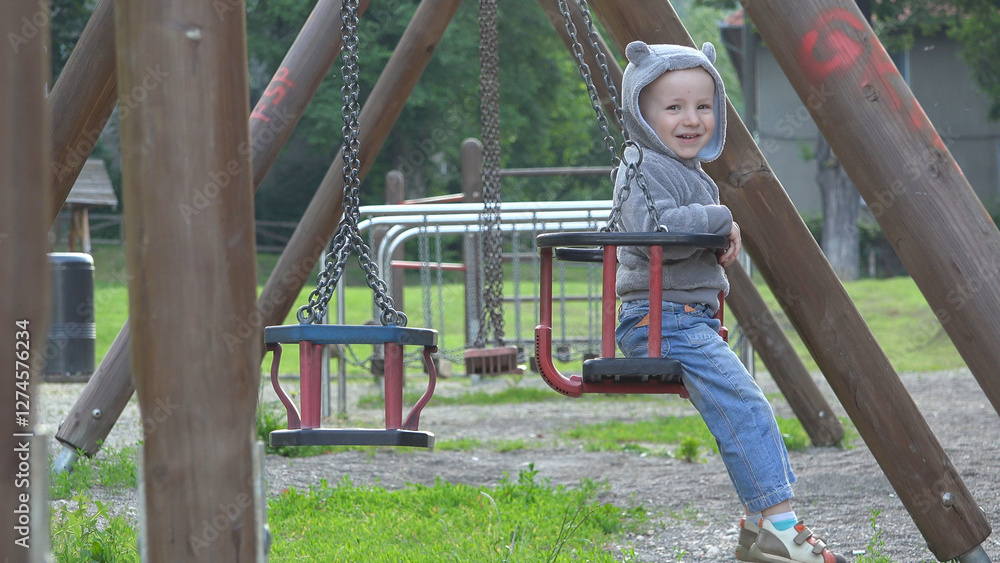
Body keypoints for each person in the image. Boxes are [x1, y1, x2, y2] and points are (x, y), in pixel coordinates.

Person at [613, 41, 848, 563]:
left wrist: (722, 225)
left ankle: (755, 530)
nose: (691, 119)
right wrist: (723, 220)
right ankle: (781, 530)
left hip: (685, 320)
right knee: (746, 407)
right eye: (674, 107)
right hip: (658, 321)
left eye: (704, 105)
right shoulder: (641, 165)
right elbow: (657, 232)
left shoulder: (691, 173)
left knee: (739, 408)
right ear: (641, 114)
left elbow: (694, 229)